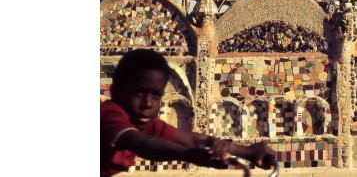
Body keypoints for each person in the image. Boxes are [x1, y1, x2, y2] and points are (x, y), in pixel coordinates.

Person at [101, 49, 275, 177]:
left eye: (156, 95)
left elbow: (190, 138)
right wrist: (188, 155)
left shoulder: (142, 122)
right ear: (116, 91)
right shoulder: (110, 116)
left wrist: (243, 151)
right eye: (138, 92)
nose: (147, 104)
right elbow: (143, 144)